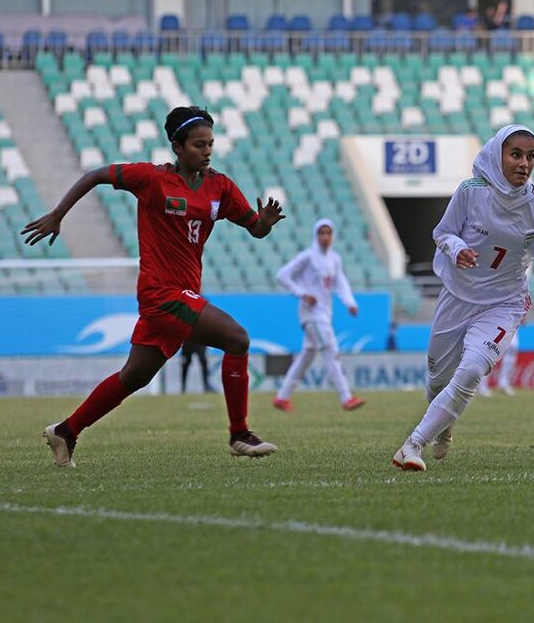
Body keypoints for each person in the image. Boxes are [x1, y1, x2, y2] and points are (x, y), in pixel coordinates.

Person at [22, 106, 285, 468]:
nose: (207, 151)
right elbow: (97, 175)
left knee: (134, 377)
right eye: (198, 145)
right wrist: (58, 214)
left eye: (210, 144)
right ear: (177, 147)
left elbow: (254, 228)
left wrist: (265, 224)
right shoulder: (151, 178)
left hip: (183, 293)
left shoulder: (219, 187)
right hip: (161, 294)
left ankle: (66, 431)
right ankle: (239, 434)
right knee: (237, 339)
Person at [392, 124, 534, 471]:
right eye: (515, 154)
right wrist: (456, 248)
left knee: (471, 369)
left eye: (531, 156)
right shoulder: (470, 192)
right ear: (497, 154)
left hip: (505, 303)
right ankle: (443, 426)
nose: (524, 163)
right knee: (438, 381)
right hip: (457, 297)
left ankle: (413, 444)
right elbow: (442, 232)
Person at [271, 218, 365, 412]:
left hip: (324, 313)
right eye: (321, 233)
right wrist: (302, 293)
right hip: (311, 315)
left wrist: (350, 303)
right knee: (331, 351)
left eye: (328, 233)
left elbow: (341, 283)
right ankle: (346, 397)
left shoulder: (335, 259)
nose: (325, 237)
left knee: (306, 356)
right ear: (316, 235)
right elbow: (282, 275)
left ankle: (282, 397)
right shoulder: (307, 256)